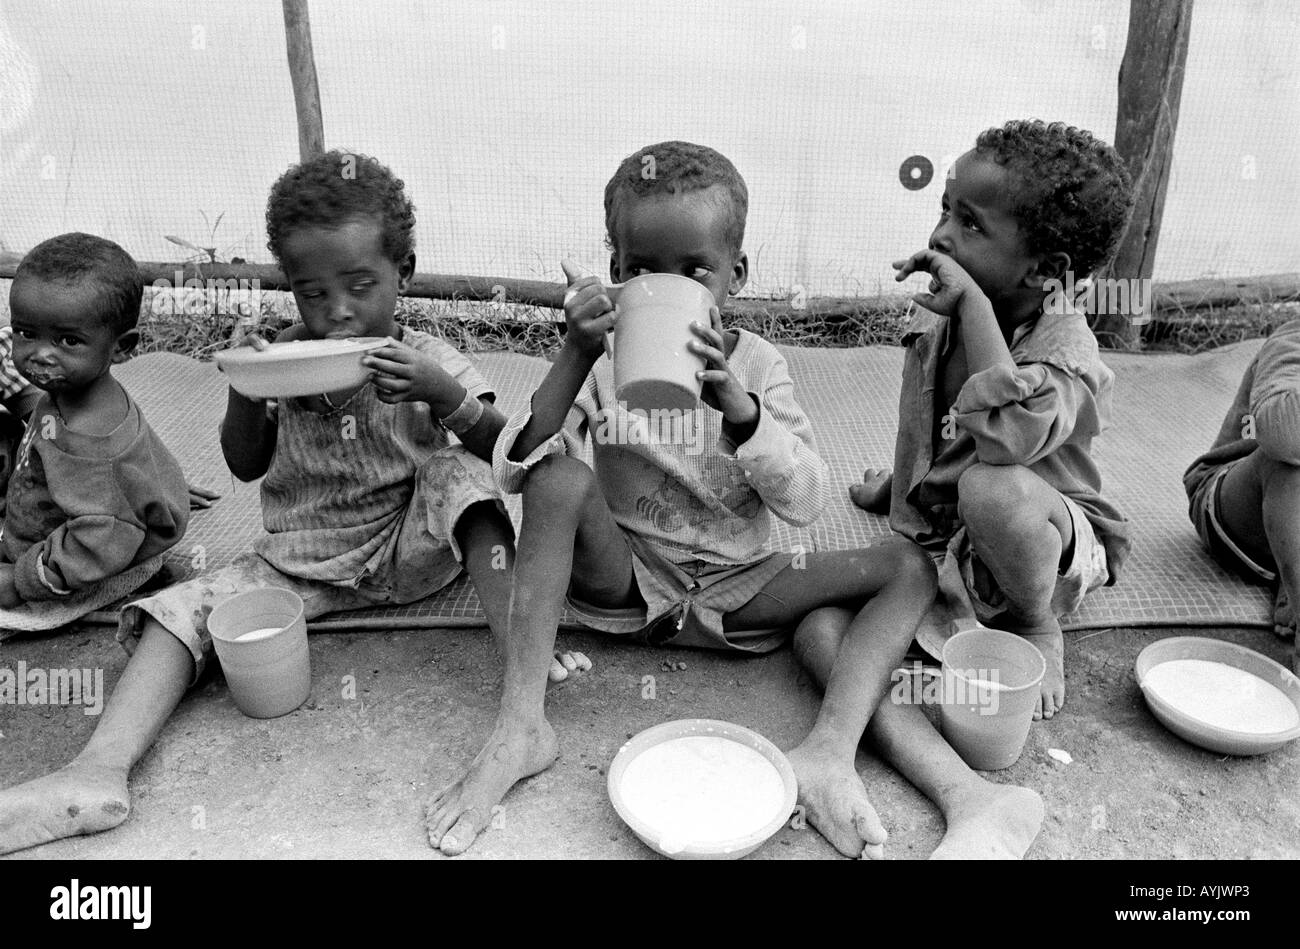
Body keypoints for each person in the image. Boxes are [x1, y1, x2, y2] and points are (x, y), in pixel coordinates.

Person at [0, 152, 580, 855]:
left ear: (407, 273)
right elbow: (245, 464)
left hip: (411, 550)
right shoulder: (282, 359)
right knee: (179, 610)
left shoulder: (423, 355)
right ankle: (96, 769)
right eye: (312, 293)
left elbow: (505, 453)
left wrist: (440, 393)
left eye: (361, 286)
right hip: (301, 561)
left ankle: (520, 651)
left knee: (461, 477)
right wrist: (248, 388)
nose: (337, 313)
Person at [427, 141, 937, 859]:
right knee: (558, 477)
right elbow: (515, 465)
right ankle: (521, 725)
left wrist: (741, 410)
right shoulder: (602, 361)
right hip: (627, 582)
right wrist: (575, 352)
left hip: (742, 586)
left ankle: (829, 749)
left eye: (696, 271)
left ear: (737, 276)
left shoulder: (759, 364)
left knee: (909, 565)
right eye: (640, 270)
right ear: (615, 274)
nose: (664, 288)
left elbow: (808, 502)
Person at [851, 119, 1134, 721]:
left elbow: (1006, 440)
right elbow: (925, 421)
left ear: (1043, 270)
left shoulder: (1063, 353)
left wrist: (975, 310)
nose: (941, 237)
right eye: (945, 211)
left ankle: (1037, 627)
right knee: (961, 493)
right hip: (960, 535)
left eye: (971, 224)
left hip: (1049, 541)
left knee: (991, 487)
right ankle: (927, 509)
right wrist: (901, 489)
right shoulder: (954, 313)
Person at [0, 233, 188, 626]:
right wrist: (151, 484)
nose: (39, 354)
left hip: (83, 560)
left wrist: (20, 583)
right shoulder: (72, 392)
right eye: (25, 333)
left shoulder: (90, 441)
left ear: (122, 348)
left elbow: (102, 538)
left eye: (68, 340)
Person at [1185, 318, 1300, 674]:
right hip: (1237, 501)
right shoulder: (1294, 337)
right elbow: (1284, 434)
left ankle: (1290, 575)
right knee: (1285, 465)